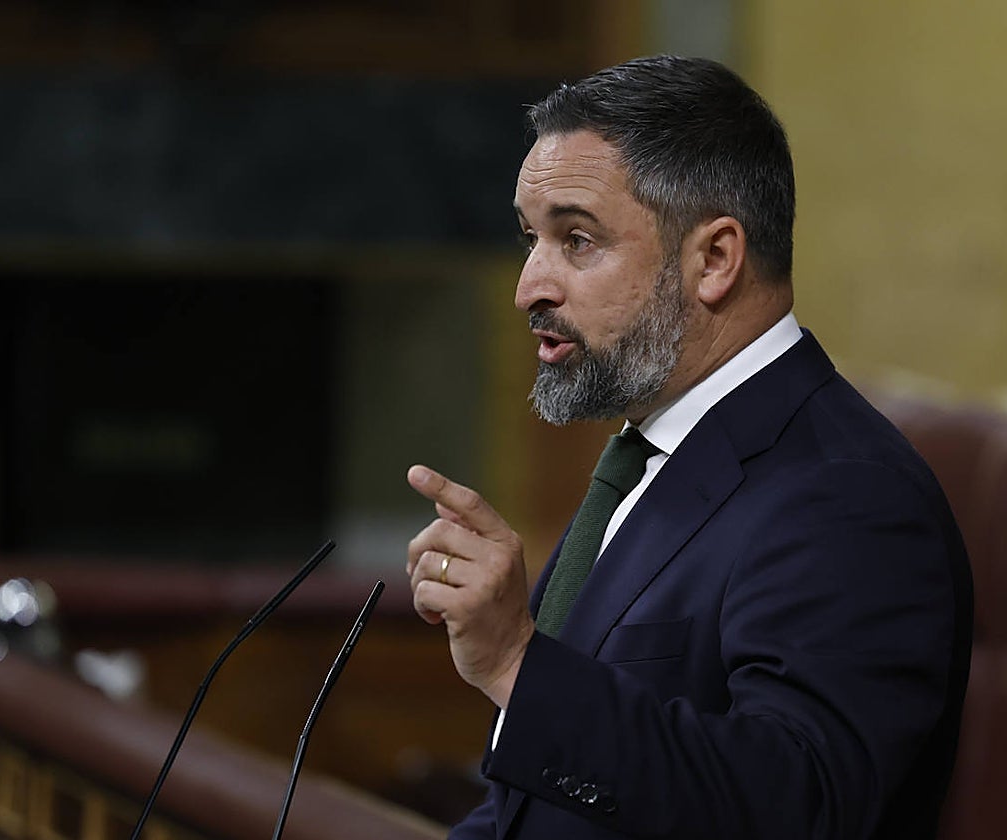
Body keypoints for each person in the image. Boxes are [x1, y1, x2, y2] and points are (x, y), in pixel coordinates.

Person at [405, 55, 972, 840]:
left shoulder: (846, 494)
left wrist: (515, 665)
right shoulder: (649, 456)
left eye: (576, 239)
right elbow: (531, 814)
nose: (528, 286)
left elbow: (800, 806)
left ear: (714, 259)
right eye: (531, 238)